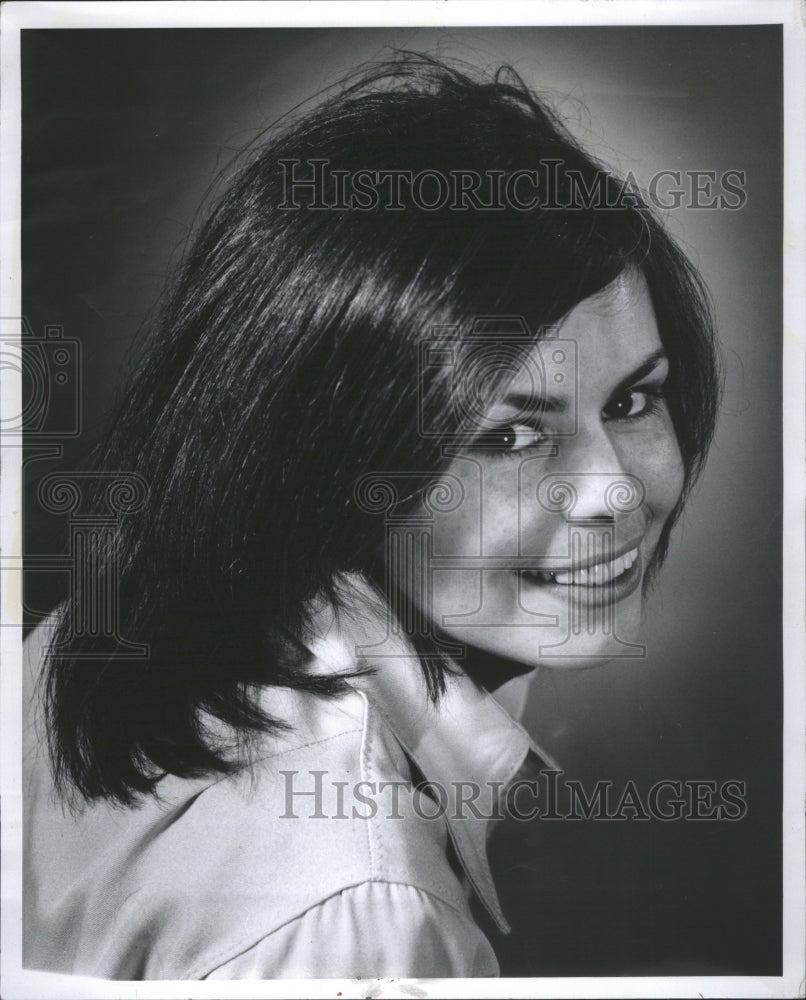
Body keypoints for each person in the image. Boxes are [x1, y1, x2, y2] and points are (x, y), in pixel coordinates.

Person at [22, 53, 720, 979]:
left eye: (634, 402)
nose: (618, 491)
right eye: (509, 437)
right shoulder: (368, 918)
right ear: (325, 463)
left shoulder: (92, 637)